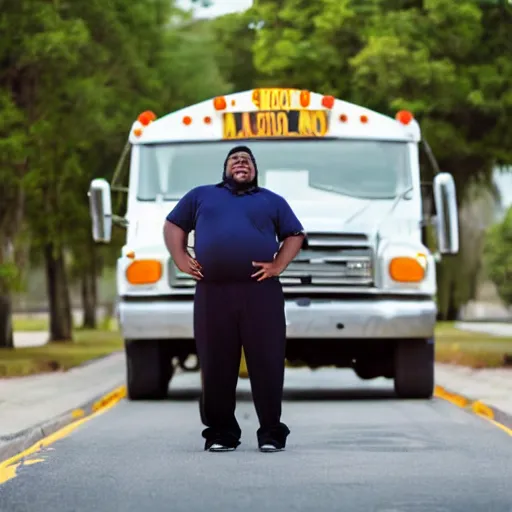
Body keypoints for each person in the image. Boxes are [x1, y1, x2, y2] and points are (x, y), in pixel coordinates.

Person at [163, 145, 305, 453]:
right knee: (215, 362)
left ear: (255, 170)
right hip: (212, 292)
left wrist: (279, 264)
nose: (241, 163)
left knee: (267, 361)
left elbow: (294, 234)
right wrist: (180, 257)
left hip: (261, 292)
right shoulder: (201, 196)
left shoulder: (271, 201)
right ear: (225, 170)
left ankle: (270, 432)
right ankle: (221, 432)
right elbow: (174, 225)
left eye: (247, 160)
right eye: (234, 160)